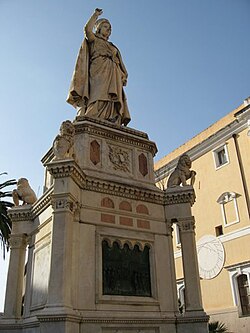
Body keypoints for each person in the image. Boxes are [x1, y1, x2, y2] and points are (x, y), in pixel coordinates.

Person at [67, 8, 131, 126]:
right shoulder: (94, 39)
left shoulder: (112, 46)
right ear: (99, 28)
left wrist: (123, 75)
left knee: (112, 96)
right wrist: (95, 15)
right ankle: (93, 114)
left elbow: (120, 64)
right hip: (98, 69)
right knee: (98, 92)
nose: (109, 29)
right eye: (106, 26)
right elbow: (87, 30)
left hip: (113, 72)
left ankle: (111, 117)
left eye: (110, 28)